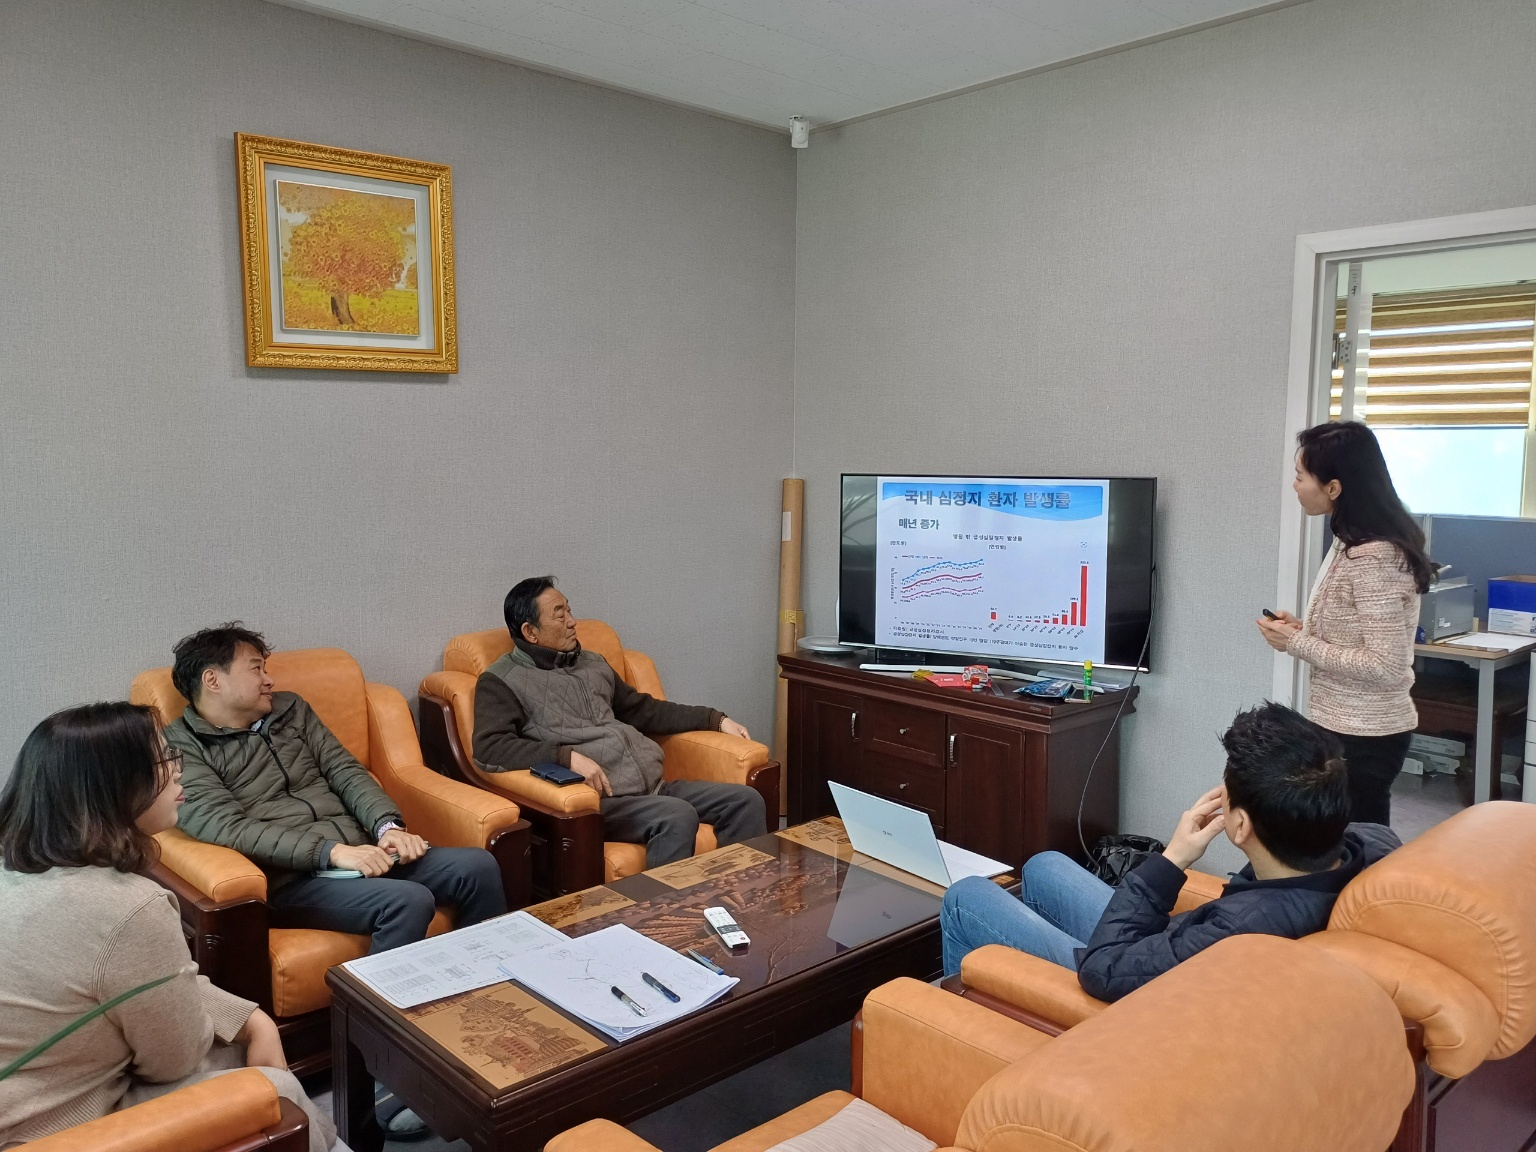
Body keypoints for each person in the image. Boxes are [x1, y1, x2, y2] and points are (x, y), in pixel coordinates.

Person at [0, 703, 341, 1151]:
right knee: (278, 1090)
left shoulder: (19, 868)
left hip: (30, 1091)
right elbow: (174, 1061)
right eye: (165, 758)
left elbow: (144, 984)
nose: (179, 770)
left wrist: (251, 1018)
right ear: (117, 785)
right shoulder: (128, 909)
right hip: (47, 1128)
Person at [940, 702, 1400, 1000]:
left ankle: (956, 1020)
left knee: (966, 898)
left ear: (1240, 825)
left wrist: (1172, 859)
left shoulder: (1239, 930)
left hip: (1120, 989)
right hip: (1159, 950)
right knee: (1045, 867)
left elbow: (1102, 970)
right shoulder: (1369, 844)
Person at [164, 623, 506, 953]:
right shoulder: (181, 745)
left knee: (477, 867)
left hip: (364, 851)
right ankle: (375, 997)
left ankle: (487, 978)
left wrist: (387, 827)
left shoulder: (291, 709)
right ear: (213, 680)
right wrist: (329, 852)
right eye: (256, 669)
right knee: (407, 900)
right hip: (294, 878)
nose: (269, 680)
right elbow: (225, 826)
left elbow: (345, 771)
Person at [473, 576, 767, 868]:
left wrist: (715, 719)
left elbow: (642, 710)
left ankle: (739, 892)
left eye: (570, 611)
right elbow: (490, 747)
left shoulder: (592, 662)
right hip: (601, 802)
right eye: (560, 615)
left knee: (745, 801)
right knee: (676, 815)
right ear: (530, 632)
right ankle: (661, 901)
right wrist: (565, 757)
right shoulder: (502, 680)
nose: (572, 622)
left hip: (654, 786)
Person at [1257, 420, 1432, 824]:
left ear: (1333, 487)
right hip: (1341, 724)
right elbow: (1354, 633)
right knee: (1338, 838)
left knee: (1360, 842)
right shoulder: (1350, 542)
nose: (1295, 486)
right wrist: (1302, 629)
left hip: (1366, 733)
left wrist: (1296, 643)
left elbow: (1385, 664)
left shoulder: (1374, 557)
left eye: (1301, 476)